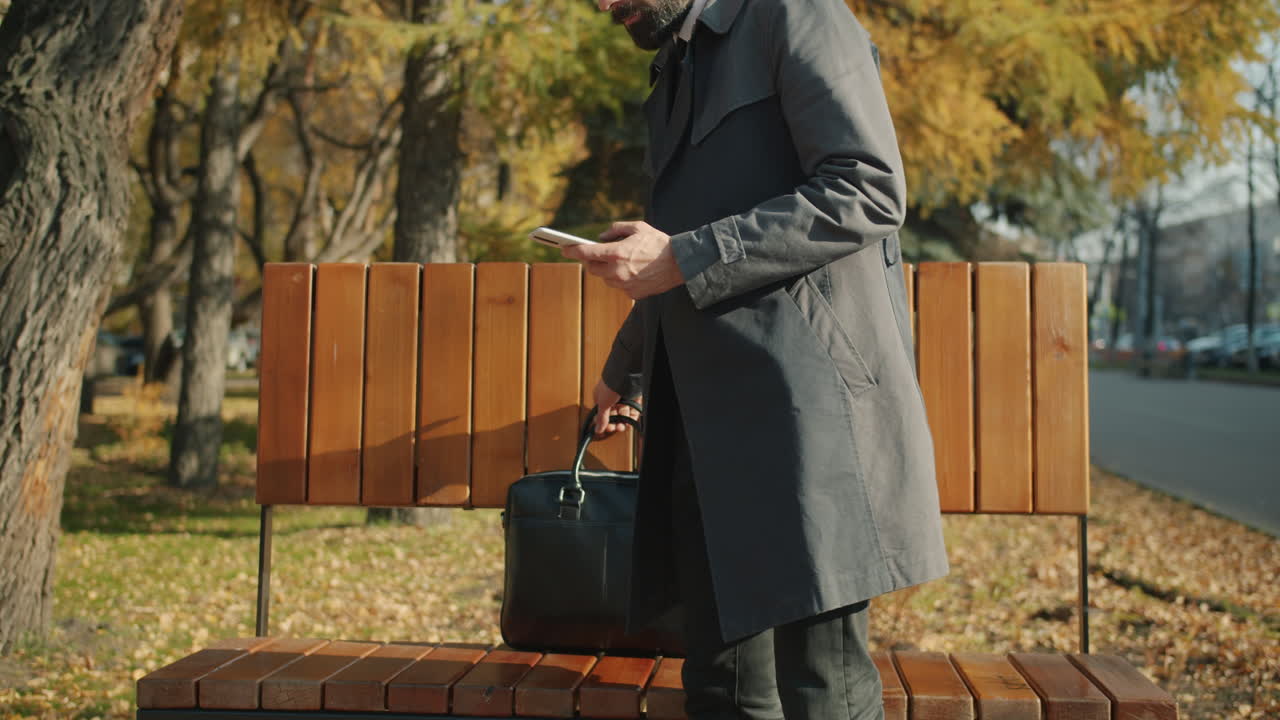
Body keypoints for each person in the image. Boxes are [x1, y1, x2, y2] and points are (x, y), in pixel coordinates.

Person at [562, 0, 949, 718]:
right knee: (719, 687)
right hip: (702, 420)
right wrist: (625, 365)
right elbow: (676, 250)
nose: (604, 4)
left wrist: (684, 253)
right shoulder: (677, 63)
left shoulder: (794, 14)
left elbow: (868, 188)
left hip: (807, 418)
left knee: (821, 686)